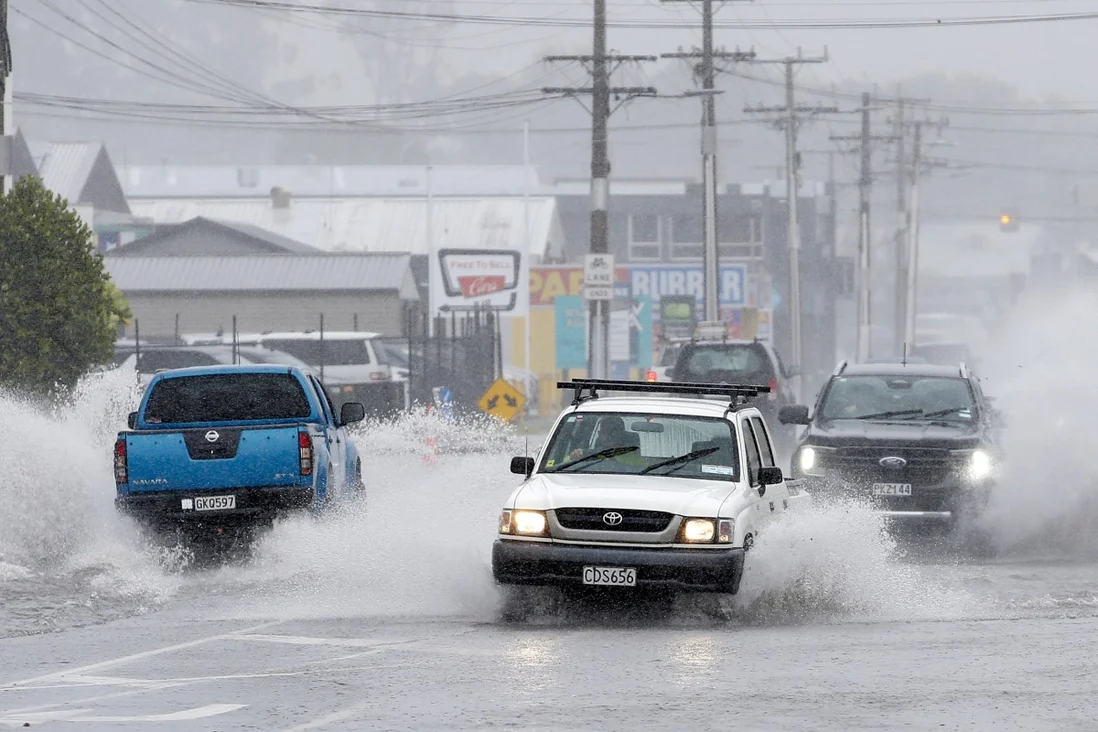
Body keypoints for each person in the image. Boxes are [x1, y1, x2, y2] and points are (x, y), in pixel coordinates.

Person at [566, 416, 645, 466]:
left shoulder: (634, 457)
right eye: (604, 432)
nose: (608, 436)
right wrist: (573, 457)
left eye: (613, 432)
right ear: (599, 435)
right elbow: (561, 464)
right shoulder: (587, 455)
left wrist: (613, 460)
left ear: (622, 434)